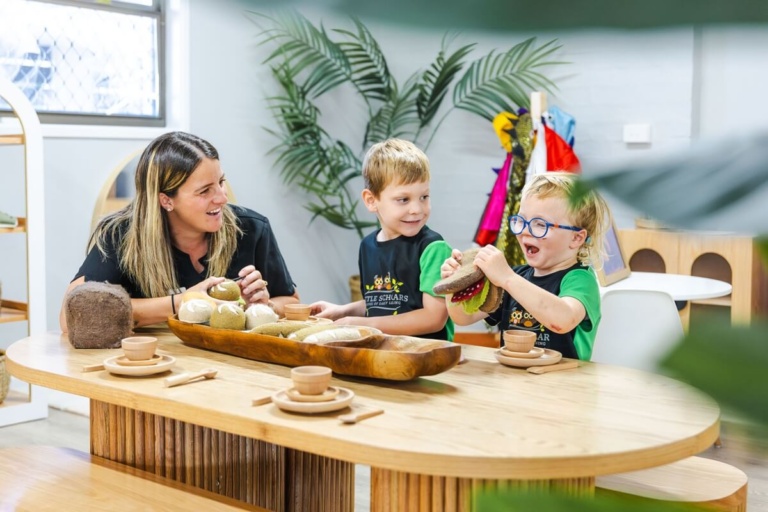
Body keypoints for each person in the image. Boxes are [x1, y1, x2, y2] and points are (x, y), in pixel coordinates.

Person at [60, 131, 299, 331]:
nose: (222, 198)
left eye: (221, 182)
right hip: (153, 365)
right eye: (205, 191)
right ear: (166, 200)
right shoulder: (121, 236)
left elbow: (291, 301)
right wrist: (183, 302)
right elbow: (72, 316)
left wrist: (261, 307)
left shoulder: (252, 228)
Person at [440, 172, 610, 360]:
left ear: (576, 238)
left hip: (563, 383)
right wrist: (454, 284)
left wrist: (507, 278)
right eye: (521, 221)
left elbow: (563, 319)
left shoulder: (580, 279)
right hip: (513, 381)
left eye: (540, 224)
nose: (525, 231)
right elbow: (464, 317)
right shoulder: (514, 277)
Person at [311, 138, 454, 340]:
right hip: (384, 353)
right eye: (403, 199)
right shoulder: (367, 247)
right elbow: (382, 304)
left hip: (427, 356)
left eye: (424, 197)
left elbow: (433, 318)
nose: (417, 209)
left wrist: (365, 325)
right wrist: (343, 311)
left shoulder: (433, 247)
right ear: (371, 201)